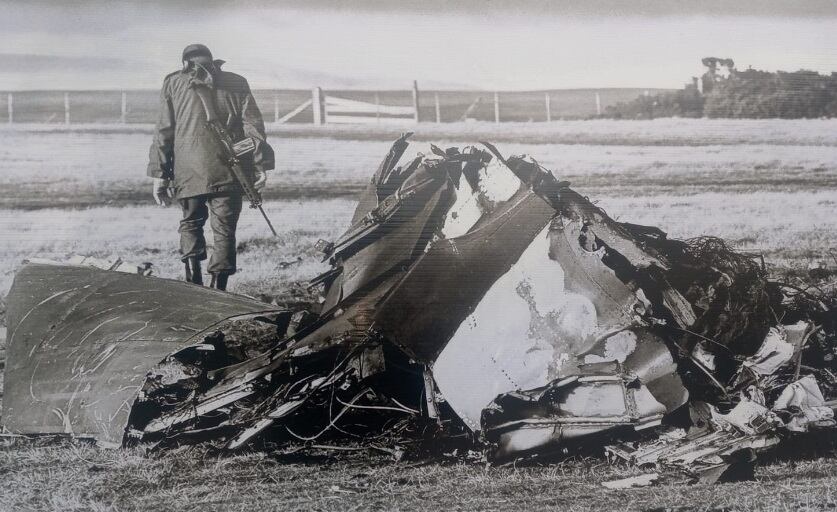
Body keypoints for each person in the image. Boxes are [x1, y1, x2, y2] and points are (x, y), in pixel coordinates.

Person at [147, 44, 274, 290]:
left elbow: (163, 132)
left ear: (185, 63)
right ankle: (218, 288)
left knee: (191, 223)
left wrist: (160, 176)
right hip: (231, 172)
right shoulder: (236, 82)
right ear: (213, 61)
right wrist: (260, 166)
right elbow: (254, 129)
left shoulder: (173, 83)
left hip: (187, 172)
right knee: (225, 230)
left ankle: (193, 284)